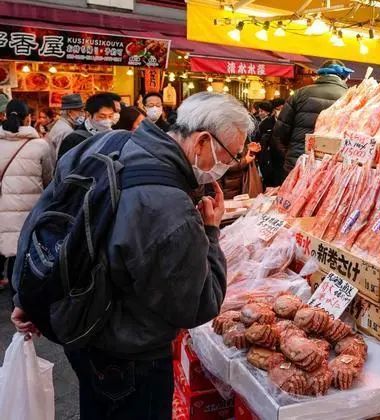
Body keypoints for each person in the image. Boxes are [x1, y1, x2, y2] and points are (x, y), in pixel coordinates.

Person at [11, 92, 252, 419]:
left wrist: (30, 293)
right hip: (129, 356)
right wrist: (210, 232)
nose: (228, 165)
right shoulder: (169, 207)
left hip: (81, 332)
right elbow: (197, 305)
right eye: (230, 155)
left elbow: (47, 216)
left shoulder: (105, 143)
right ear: (202, 141)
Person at [0, 99, 53, 289]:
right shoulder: (40, 145)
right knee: (19, 255)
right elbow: (49, 179)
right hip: (27, 212)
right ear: (29, 118)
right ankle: (18, 302)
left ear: (5, 116)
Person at [272, 59, 351, 179]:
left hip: (298, 163)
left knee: (292, 197)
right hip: (332, 168)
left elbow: (279, 133)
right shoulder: (351, 96)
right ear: (344, 77)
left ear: (319, 75)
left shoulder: (299, 94)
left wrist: (290, 155)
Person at [58, 93, 117, 159]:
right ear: (88, 114)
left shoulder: (114, 135)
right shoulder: (74, 139)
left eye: (110, 116)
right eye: (102, 116)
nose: (107, 120)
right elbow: (63, 166)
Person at [46, 94, 85, 159]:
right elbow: (62, 157)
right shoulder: (66, 130)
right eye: (80, 111)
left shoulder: (61, 124)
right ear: (69, 112)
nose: (82, 114)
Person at [252, 101, 280, 187]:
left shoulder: (271, 123)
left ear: (268, 112)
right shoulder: (260, 121)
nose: (260, 113)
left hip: (268, 154)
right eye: (259, 111)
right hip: (261, 152)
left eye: (262, 111)